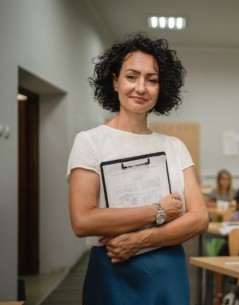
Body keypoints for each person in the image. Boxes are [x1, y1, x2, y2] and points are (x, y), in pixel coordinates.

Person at [67, 33, 208, 305]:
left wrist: (141, 239)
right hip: (114, 265)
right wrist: (159, 211)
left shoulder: (174, 147)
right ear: (115, 81)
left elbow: (199, 219)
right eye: (132, 76)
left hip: (168, 270)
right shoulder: (90, 141)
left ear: (161, 88)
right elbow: (83, 221)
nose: (141, 88)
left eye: (152, 80)